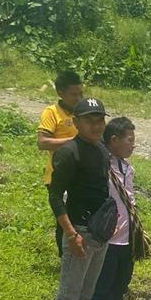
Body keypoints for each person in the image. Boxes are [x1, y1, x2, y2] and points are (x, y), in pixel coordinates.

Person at [49, 97, 116, 300]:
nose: (96, 125)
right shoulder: (68, 152)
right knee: (68, 296)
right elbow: (55, 197)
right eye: (90, 120)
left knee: (86, 293)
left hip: (99, 233)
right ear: (76, 122)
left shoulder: (101, 150)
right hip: (79, 233)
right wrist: (71, 233)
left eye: (100, 120)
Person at [89, 117, 146, 300]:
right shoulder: (101, 166)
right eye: (129, 140)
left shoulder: (126, 168)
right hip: (107, 239)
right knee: (102, 287)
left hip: (126, 238)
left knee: (120, 285)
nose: (133, 145)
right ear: (113, 140)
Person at [39, 70, 84, 254]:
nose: (78, 98)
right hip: (59, 175)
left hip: (82, 176)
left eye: (81, 93)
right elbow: (42, 142)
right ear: (60, 93)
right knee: (64, 220)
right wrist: (74, 142)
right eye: (74, 94)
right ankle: (65, 257)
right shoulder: (52, 113)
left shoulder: (84, 112)